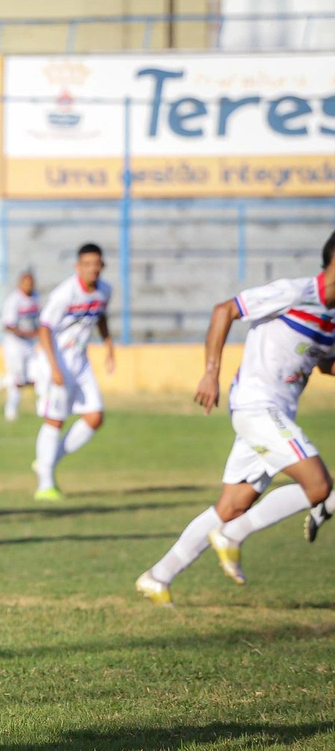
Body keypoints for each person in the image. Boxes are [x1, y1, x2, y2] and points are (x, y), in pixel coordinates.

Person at [136, 235, 335, 606]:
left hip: (275, 416)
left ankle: (157, 576)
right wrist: (211, 373)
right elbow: (224, 310)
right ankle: (233, 535)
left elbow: (323, 363)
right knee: (321, 487)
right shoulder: (293, 293)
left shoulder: (330, 319)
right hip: (257, 408)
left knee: (230, 506)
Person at [31, 243, 115, 501]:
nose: (92, 269)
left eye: (96, 264)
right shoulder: (65, 293)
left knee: (94, 417)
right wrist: (54, 368)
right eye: (86, 264)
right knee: (55, 420)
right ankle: (44, 483)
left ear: (102, 266)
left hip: (80, 361)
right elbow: (44, 328)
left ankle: (47, 461)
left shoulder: (104, 291)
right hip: (55, 361)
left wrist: (109, 345)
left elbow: (100, 315)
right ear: (78, 267)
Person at [0, 271, 40, 422]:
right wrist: (27, 333)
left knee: (36, 378)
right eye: (26, 282)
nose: (29, 286)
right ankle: (11, 411)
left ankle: (4, 381)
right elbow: (8, 325)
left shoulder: (35, 297)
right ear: (20, 284)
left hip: (30, 344)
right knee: (18, 381)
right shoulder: (14, 300)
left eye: (31, 282)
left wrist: (37, 332)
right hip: (14, 345)